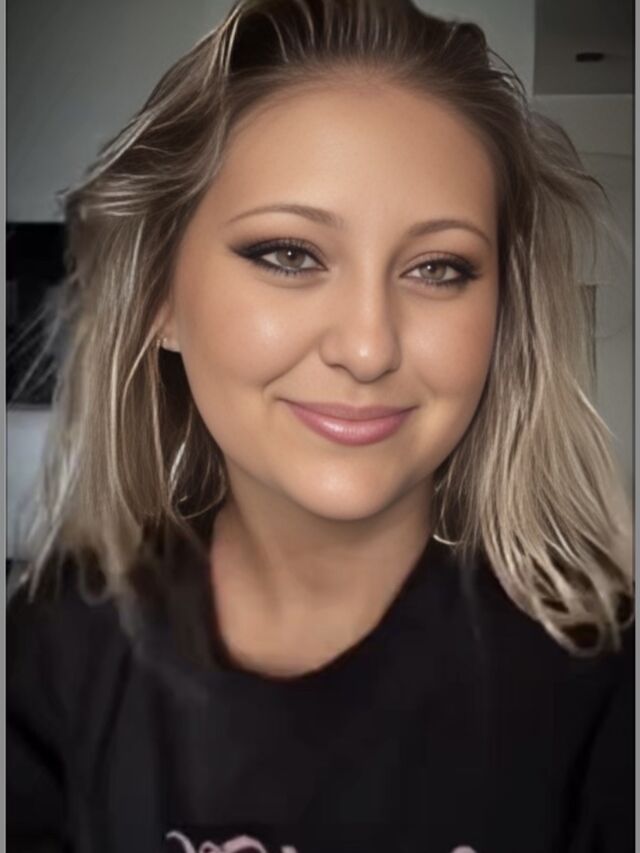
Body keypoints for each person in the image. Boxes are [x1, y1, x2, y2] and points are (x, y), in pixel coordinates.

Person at [7, 0, 634, 851]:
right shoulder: (53, 649)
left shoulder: (602, 681)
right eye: (289, 254)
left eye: (438, 267)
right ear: (161, 296)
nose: (369, 347)